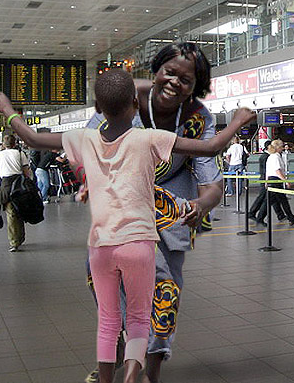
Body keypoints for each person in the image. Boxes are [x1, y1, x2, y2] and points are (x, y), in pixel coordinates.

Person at [0, 70, 254, 383]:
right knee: (142, 316)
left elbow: (32, 138)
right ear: (135, 104)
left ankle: (110, 378)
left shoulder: (85, 139)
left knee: (109, 319)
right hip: (140, 244)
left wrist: (7, 110)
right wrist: (236, 121)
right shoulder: (148, 139)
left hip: (102, 245)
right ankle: (132, 375)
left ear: (97, 108)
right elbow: (209, 148)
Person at [84, 42, 231, 383]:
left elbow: (211, 180)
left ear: (197, 87)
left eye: (187, 79)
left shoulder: (198, 118)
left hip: (169, 217)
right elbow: (91, 145)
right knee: (104, 285)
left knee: (165, 294)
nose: (175, 83)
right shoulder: (126, 99)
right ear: (156, 70)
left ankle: (151, 371)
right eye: (170, 72)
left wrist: (200, 205)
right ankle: (119, 350)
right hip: (118, 216)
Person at [0, 135, 32, 252]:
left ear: (3, 144)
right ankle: (21, 237)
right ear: (15, 143)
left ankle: (14, 242)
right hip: (19, 184)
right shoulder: (20, 154)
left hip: (6, 185)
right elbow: (26, 172)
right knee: (20, 210)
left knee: (10, 213)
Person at [257, 139, 294, 226]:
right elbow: (277, 170)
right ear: (277, 148)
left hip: (271, 180)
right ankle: (260, 218)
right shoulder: (276, 157)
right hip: (276, 181)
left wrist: (266, 182)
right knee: (274, 201)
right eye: (281, 147)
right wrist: (285, 181)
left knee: (279, 200)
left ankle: (291, 217)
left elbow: (268, 171)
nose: (283, 148)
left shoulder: (271, 156)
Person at [247, 140, 286, 223]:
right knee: (263, 198)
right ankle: (252, 213)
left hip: (268, 180)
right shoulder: (267, 157)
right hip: (268, 180)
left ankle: (281, 214)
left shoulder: (268, 156)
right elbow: (268, 170)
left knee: (273, 198)